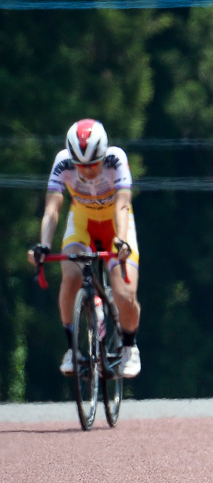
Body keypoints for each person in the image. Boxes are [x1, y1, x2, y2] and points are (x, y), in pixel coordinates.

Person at [26, 119, 142, 378]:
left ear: (103, 155)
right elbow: (53, 209)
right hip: (82, 224)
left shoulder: (115, 159)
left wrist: (121, 241)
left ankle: (129, 347)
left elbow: (123, 204)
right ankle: (73, 349)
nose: (87, 171)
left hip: (116, 224)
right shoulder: (62, 163)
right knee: (70, 277)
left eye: (93, 164)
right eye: (81, 165)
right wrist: (44, 245)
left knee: (125, 295)